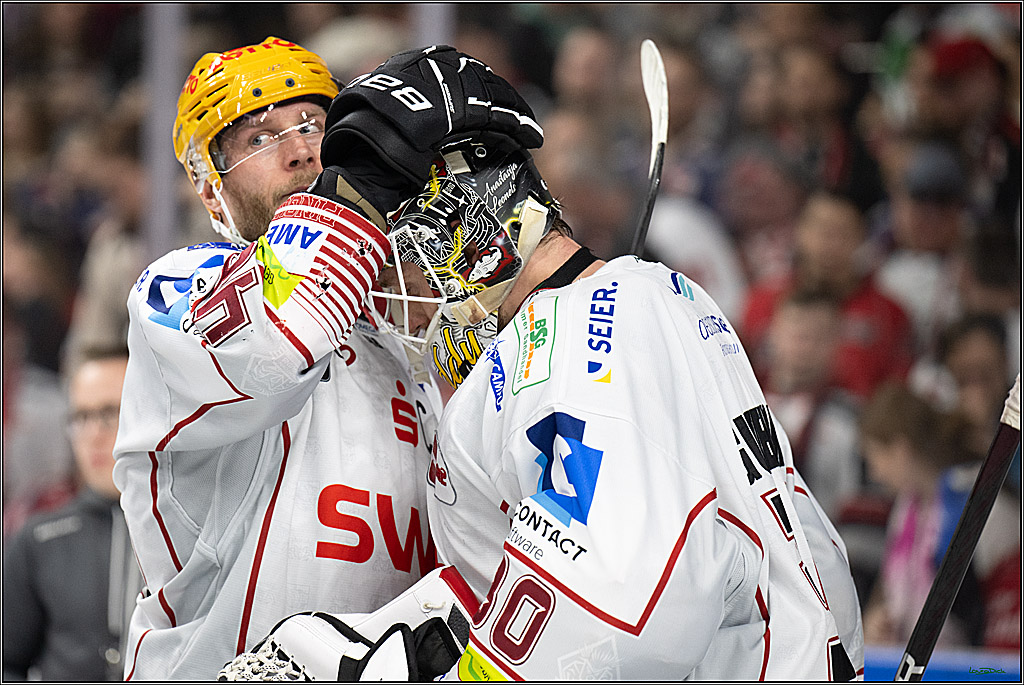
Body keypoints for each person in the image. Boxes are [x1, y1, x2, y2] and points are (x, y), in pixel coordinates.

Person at [224, 46, 865, 680]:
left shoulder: (591, 333)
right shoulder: (595, 320)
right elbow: (499, 583)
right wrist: (337, 654)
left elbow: (619, 606)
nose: (393, 302)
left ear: (459, 226)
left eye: (394, 261)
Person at [113, 38, 540, 679]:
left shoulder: (411, 334)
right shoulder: (174, 290)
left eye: (316, 124)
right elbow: (278, 344)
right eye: (259, 137)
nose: (300, 149)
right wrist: (350, 196)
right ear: (209, 191)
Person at [3, 346, 143, 681]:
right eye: (81, 417)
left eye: (111, 413)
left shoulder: (197, 531)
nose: (94, 433)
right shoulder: (39, 539)